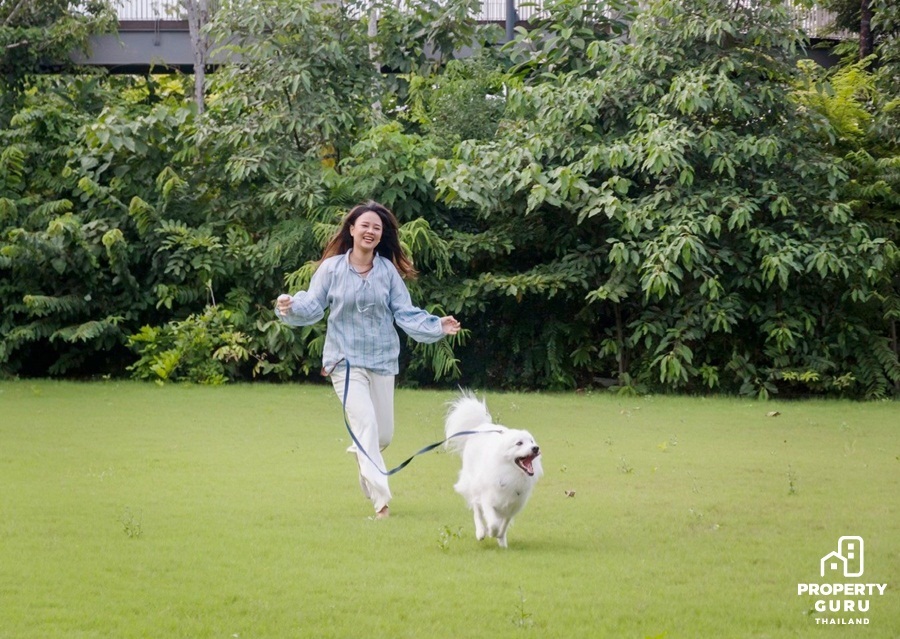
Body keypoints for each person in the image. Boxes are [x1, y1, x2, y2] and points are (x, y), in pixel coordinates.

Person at [275, 201, 461, 519]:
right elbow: (313, 305)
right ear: (352, 229)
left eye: (377, 227)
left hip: (382, 360)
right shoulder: (332, 269)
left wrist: (436, 325)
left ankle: (362, 452)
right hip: (344, 362)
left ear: (381, 235)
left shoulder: (387, 272)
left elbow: (405, 312)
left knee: (382, 435)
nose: (370, 231)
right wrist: (290, 306)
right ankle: (381, 503)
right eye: (365, 225)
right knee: (367, 425)